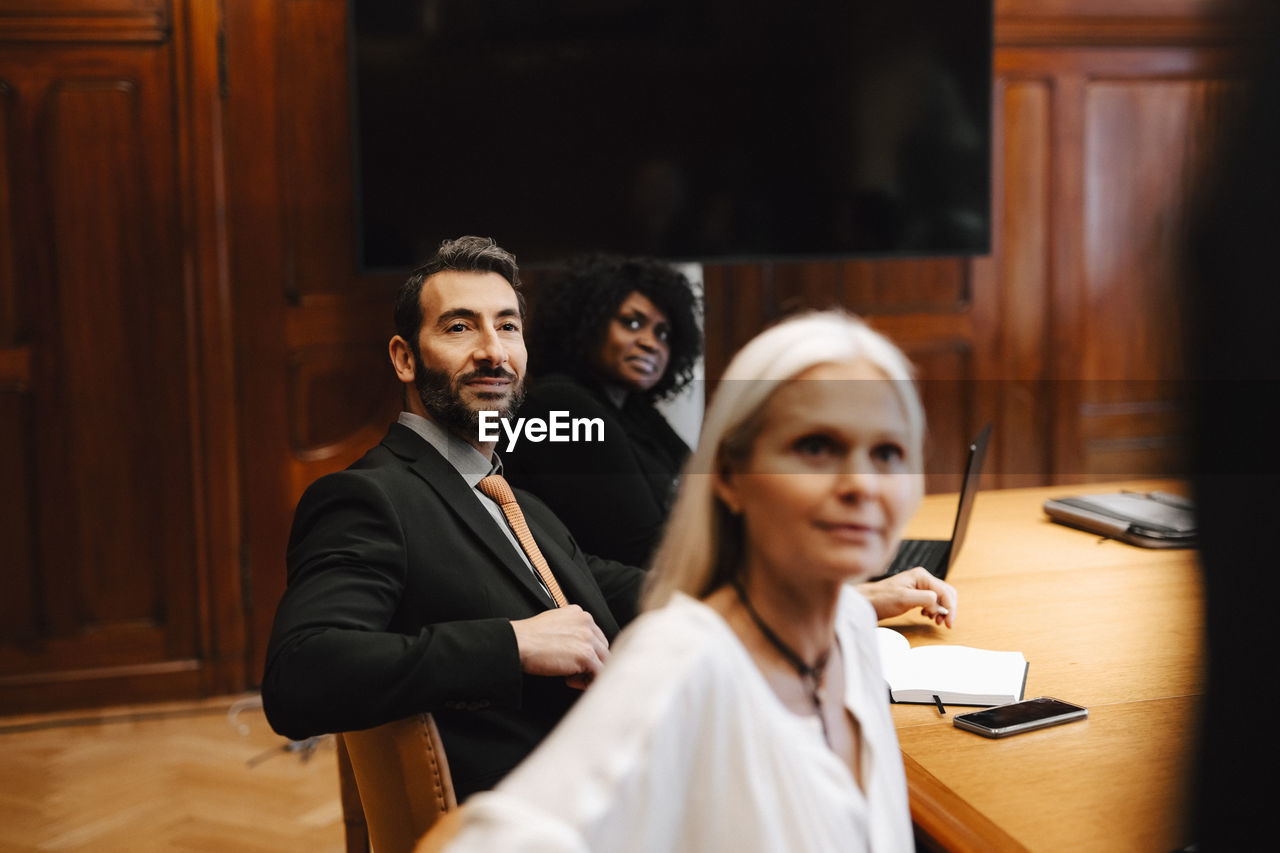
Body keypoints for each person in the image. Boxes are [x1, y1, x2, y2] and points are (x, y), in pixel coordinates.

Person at [440, 310, 952, 851]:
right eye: (816, 448)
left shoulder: (850, 626)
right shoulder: (683, 660)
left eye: (888, 453)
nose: (861, 485)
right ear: (730, 478)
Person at [261, 236, 647, 800]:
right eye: (460, 327)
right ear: (404, 357)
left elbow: (594, 576)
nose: (494, 352)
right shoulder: (368, 498)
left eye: (508, 327)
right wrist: (511, 645)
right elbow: (300, 675)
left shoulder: (512, 498)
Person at [502, 255, 702, 566]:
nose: (651, 343)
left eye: (663, 333)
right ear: (588, 324)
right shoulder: (561, 404)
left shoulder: (636, 410)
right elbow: (643, 548)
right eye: (632, 323)